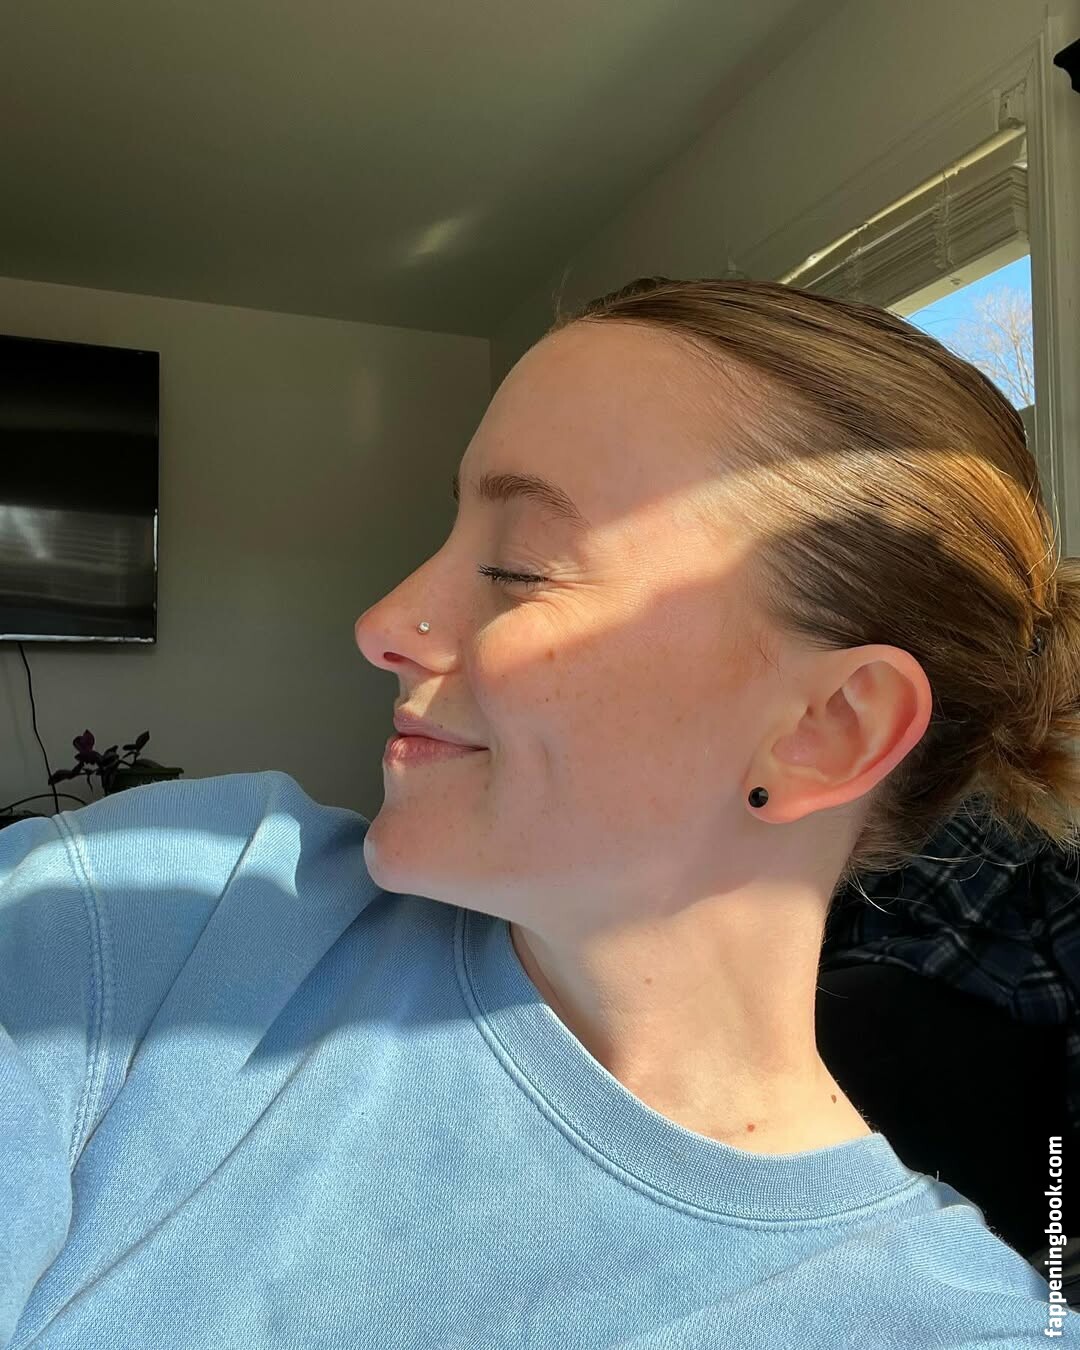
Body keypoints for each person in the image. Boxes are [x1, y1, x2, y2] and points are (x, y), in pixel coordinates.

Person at [2, 276, 1077, 1347]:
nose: (383, 622)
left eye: (517, 568)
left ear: (828, 730)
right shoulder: (163, 912)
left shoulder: (956, 1330)